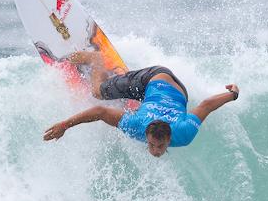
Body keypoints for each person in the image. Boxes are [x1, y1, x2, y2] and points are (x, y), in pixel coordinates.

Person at [42, 51, 239, 157]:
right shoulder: (139, 125)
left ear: (169, 139)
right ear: (146, 134)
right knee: (98, 93)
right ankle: (95, 59)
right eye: (153, 145)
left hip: (177, 90)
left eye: (159, 146)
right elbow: (100, 111)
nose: (155, 150)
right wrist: (64, 125)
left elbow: (206, 105)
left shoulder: (183, 132)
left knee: (131, 105)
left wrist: (233, 95)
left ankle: (123, 89)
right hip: (152, 78)